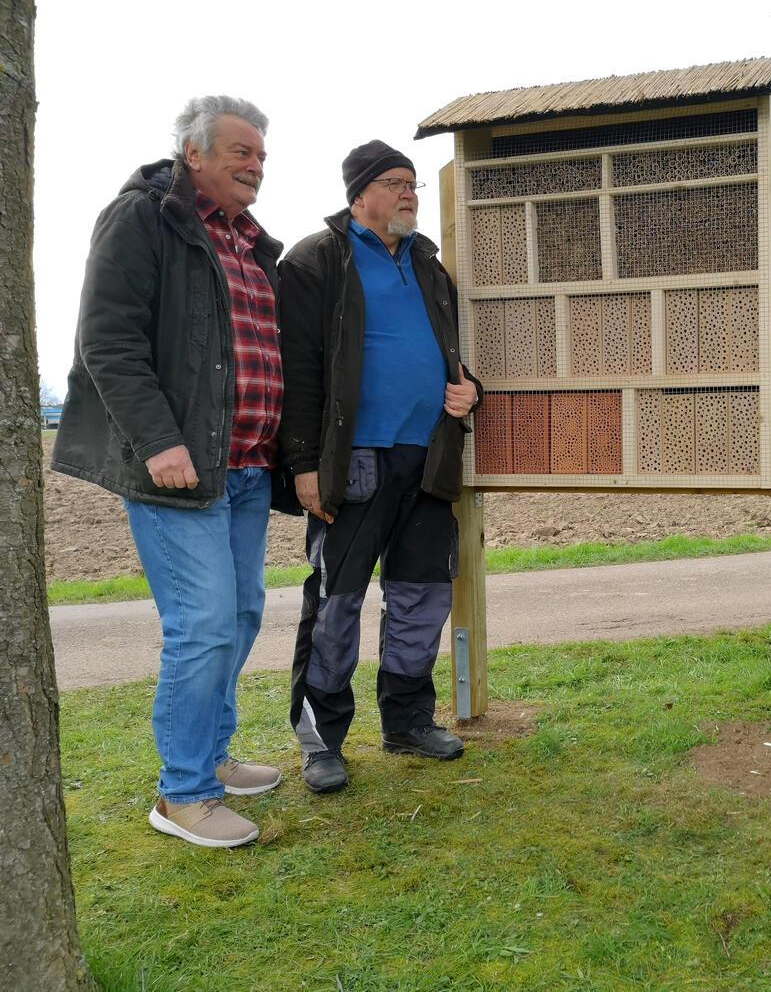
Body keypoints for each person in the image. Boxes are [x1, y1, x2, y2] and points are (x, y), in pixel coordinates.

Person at [52, 96, 283, 848]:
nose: (256, 166)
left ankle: (211, 757)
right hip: (178, 471)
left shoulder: (249, 242)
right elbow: (107, 341)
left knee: (241, 616)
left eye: (261, 155)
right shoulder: (143, 219)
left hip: (244, 466)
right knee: (204, 624)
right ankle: (182, 793)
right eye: (240, 152)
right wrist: (159, 440)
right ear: (194, 153)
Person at [279, 140, 481, 794]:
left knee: (423, 597)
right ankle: (322, 741)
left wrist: (467, 388)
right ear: (359, 193)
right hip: (352, 461)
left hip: (427, 458)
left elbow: (447, 351)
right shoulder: (317, 260)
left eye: (413, 183)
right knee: (336, 603)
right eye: (395, 182)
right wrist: (305, 465)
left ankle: (407, 722)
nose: (410, 193)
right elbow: (300, 373)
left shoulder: (427, 264)